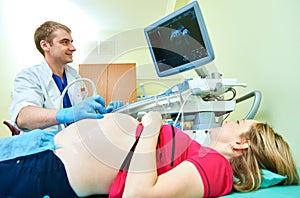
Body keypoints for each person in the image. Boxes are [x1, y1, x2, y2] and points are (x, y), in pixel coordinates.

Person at [0, 111, 298, 197]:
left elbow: (139, 194)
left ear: (241, 145)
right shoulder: (206, 155)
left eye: (240, 123)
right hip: (43, 153)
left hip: (45, 170)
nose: (232, 121)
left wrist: (153, 126)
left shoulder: (218, 168)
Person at [9, 21, 122, 132]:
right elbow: (23, 117)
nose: (73, 48)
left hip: (74, 141)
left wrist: (104, 114)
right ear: (45, 45)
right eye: (65, 42)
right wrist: (67, 113)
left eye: (71, 42)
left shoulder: (75, 77)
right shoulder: (29, 76)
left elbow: (81, 114)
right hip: (44, 145)